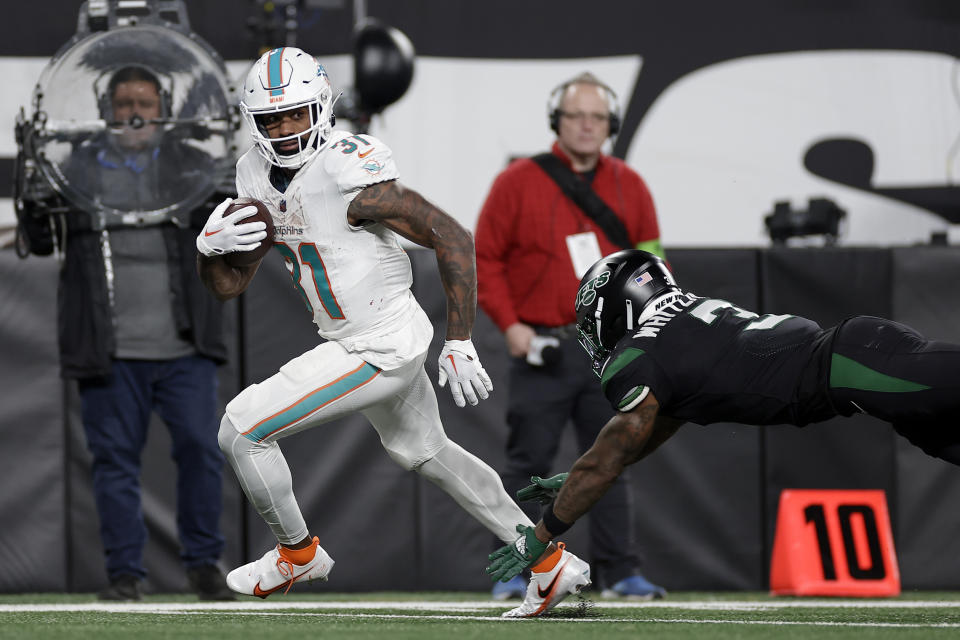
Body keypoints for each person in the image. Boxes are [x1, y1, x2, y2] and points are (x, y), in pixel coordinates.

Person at [195, 46, 590, 619]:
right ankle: (547, 563)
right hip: (356, 337)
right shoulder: (253, 174)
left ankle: (297, 553)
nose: (283, 130)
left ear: (322, 110)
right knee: (427, 451)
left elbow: (451, 234)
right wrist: (209, 252)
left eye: (296, 115)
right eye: (271, 119)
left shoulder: (347, 170)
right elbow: (228, 286)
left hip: (376, 343)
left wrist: (460, 338)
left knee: (242, 429)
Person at [485, 249, 960, 583]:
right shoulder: (676, 329)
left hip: (855, 366)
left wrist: (542, 534)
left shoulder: (639, 353)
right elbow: (658, 421)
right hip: (858, 363)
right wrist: (577, 478)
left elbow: (614, 450)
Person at [31, 65, 233, 601]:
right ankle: (125, 574)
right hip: (109, 348)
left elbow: (235, 234)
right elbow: (39, 238)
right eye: (124, 104)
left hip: (185, 345)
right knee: (114, 462)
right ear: (106, 112)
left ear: (164, 109)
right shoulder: (76, 171)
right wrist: (31, 190)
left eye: (146, 101)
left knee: (201, 450)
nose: (136, 113)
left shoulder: (193, 167)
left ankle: (204, 565)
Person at [474, 72, 666, 599]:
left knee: (614, 460)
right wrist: (510, 326)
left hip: (613, 352)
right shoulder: (515, 183)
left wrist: (647, 335)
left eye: (597, 117)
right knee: (527, 464)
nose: (587, 125)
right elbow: (484, 259)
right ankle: (517, 571)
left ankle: (621, 572)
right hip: (543, 347)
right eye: (576, 115)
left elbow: (654, 265)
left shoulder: (632, 185)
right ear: (556, 121)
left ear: (611, 125)